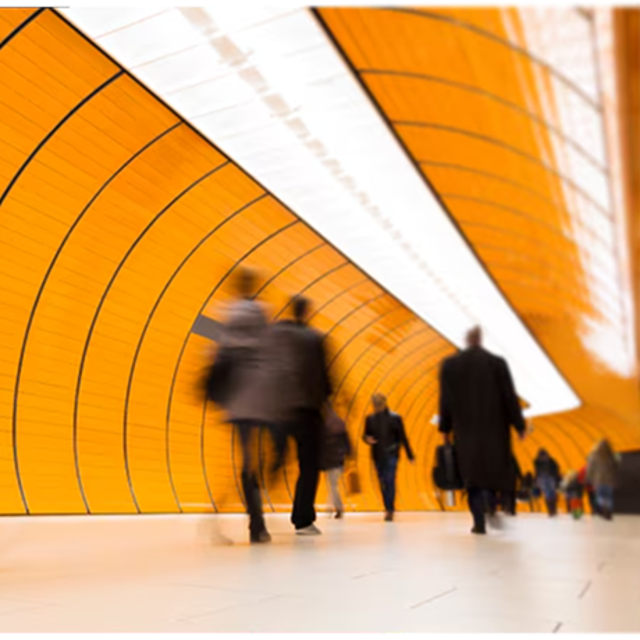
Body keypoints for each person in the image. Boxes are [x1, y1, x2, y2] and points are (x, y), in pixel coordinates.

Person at [438, 326, 526, 534]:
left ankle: (479, 522)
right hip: (495, 429)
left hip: (465, 430)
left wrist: (445, 427)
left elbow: (446, 400)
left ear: (466, 340)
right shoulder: (497, 363)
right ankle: (492, 505)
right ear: (480, 339)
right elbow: (509, 397)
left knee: (472, 477)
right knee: (493, 471)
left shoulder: (450, 365)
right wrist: (518, 424)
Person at [219, 268, 276, 544]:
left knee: (247, 461)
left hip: (238, 400)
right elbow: (271, 353)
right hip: (263, 397)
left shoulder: (228, 313)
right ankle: (258, 520)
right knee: (264, 458)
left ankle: (256, 523)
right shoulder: (263, 313)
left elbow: (219, 350)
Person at [270, 296, 333, 535]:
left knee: (273, 460)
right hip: (307, 411)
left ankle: (256, 514)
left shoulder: (275, 336)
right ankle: (303, 519)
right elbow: (326, 379)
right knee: (309, 466)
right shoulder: (315, 339)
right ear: (306, 312)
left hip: (278, 409)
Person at [364, 393, 414, 521]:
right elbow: (366, 434)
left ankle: (390, 509)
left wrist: (409, 454)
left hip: (391, 453)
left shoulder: (395, 418)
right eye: (375, 404)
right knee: (382, 481)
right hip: (377, 454)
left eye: (378, 404)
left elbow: (402, 437)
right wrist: (367, 439)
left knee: (389, 480)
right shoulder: (370, 419)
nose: (376, 407)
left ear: (384, 403)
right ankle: (387, 506)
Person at [320, 403, 352, 519]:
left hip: (330, 458)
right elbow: (347, 442)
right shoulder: (339, 424)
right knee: (332, 484)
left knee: (333, 485)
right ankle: (329, 508)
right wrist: (349, 455)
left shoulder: (324, 425)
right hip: (338, 458)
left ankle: (339, 508)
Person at [586, 439, 619, 520]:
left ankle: (603, 509)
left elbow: (590, 468)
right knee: (608, 496)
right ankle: (608, 511)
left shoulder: (594, 456)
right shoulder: (611, 456)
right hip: (609, 481)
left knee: (600, 496)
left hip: (598, 480)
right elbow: (615, 466)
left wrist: (589, 478)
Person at [534, 448, 561, 517]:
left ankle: (551, 510)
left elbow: (536, 472)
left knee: (548, 493)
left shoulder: (537, 462)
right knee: (551, 493)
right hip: (548, 478)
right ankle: (552, 510)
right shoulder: (551, 461)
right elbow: (557, 469)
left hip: (544, 478)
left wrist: (537, 480)